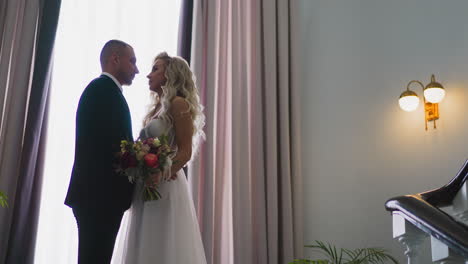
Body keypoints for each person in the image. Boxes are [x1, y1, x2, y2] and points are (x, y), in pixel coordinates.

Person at [112, 52, 207, 264]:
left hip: (165, 185)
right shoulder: (156, 108)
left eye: (156, 69)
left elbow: (185, 151)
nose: (148, 75)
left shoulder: (179, 103)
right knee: (143, 242)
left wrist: (162, 172)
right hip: (146, 184)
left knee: (162, 244)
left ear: (170, 74)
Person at [64, 39, 139, 264]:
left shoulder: (105, 92)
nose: (137, 69)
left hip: (97, 198)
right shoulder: (102, 92)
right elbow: (113, 146)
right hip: (99, 198)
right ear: (115, 59)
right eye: (132, 61)